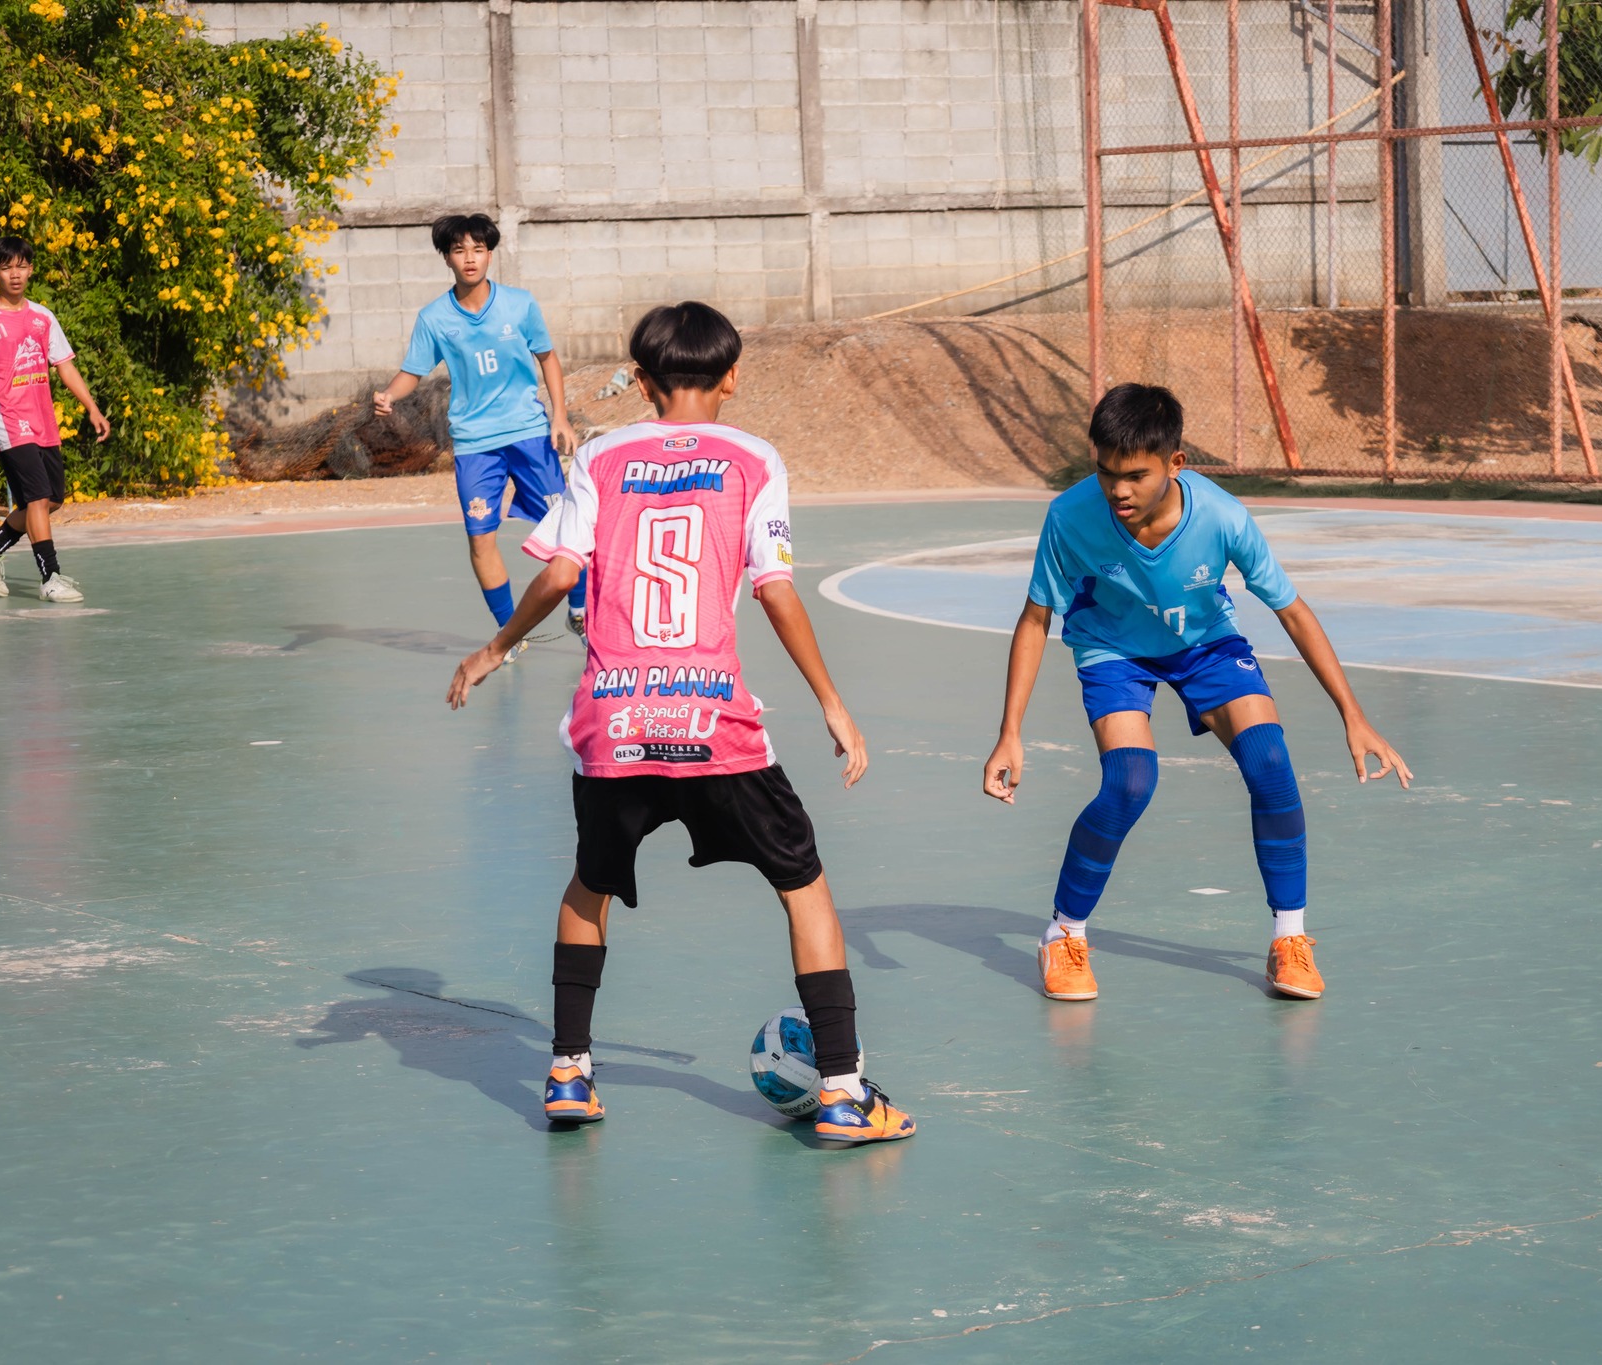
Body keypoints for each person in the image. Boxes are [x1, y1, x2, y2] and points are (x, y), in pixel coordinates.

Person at [445, 300, 914, 1143]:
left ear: (644, 379)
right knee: (804, 889)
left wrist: (494, 649)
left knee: (589, 886)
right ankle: (844, 1090)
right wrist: (834, 705)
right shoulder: (755, 459)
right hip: (714, 722)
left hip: (615, 720)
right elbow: (774, 589)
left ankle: (566, 1073)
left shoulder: (600, 454)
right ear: (732, 376)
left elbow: (556, 577)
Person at [982, 383, 1411, 1003]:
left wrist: (1355, 715)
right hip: (1113, 649)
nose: (1117, 490)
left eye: (1134, 475)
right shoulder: (1070, 516)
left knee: (1270, 764)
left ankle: (1289, 939)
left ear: (1175, 464)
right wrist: (1010, 733)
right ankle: (1063, 934)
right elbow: (1035, 619)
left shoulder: (1222, 516)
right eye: (1105, 473)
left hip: (1207, 643)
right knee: (1129, 782)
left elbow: (1291, 611)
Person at [375, 213, 586, 651]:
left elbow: (548, 358)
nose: (469, 259)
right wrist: (390, 396)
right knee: (480, 540)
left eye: (478, 249)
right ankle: (510, 634)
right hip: (475, 445)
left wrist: (559, 417)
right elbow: (412, 371)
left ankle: (580, 613)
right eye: (459, 250)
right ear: (447, 258)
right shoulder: (434, 318)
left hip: (528, 434)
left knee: (567, 527)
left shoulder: (520, 304)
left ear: (490, 253)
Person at [0, 236, 111, 603]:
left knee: (49, 501)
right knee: (38, 496)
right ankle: (50, 577)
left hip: (43, 421)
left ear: (30, 268)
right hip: (10, 423)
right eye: (6, 267)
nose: (15, 274)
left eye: (21, 266)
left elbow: (65, 366)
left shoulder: (43, 317)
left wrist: (92, 408)